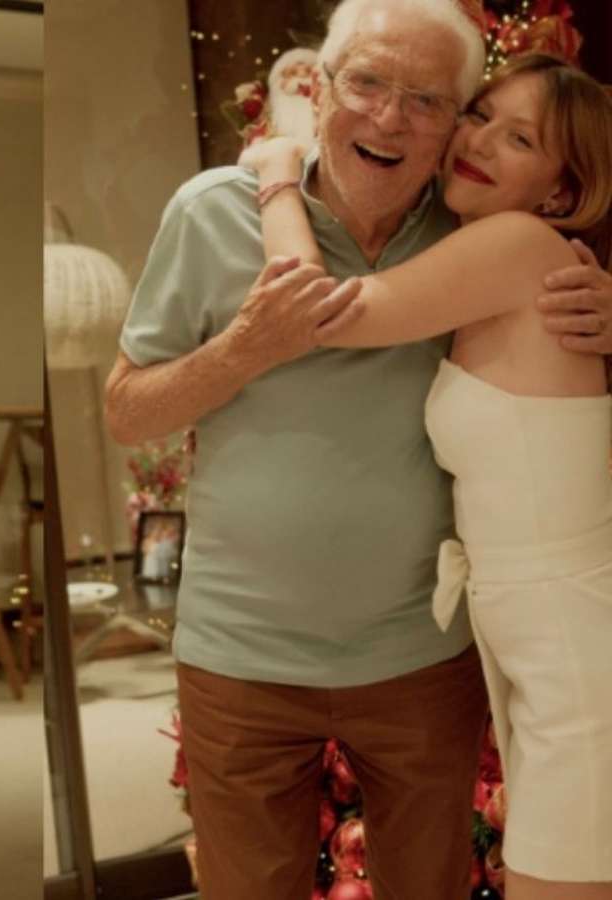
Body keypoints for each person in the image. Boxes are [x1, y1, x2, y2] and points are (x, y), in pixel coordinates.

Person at [104, 0, 612, 897]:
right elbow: (124, 412)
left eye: (428, 100)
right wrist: (241, 349)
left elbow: (517, 299)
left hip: (425, 658)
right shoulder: (210, 212)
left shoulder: (470, 225)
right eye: (368, 83)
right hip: (240, 655)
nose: (390, 117)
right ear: (321, 87)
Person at [245, 51, 612, 898]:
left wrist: (276, 175)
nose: (478, 141)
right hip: (540, 643)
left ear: (560, 191)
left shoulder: (519, 244)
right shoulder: (491, 250)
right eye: (481, 115)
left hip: (571, 653)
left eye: (520, 139)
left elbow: (321, 314)